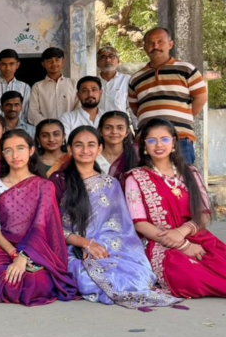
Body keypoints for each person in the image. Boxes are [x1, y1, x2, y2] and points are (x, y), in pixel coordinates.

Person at [50, 126, 181, 309]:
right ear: (70, 149)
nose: (85, 150)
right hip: (70, 245)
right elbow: (52, 224)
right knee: (86, 275)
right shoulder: (58, 180)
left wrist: (101, 244)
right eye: (79, 145)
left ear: (99, 149)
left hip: (109, 244)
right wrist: (84, 243)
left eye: (91, 145)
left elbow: (121, 227)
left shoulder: (111, 183)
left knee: (134, 273)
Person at [125, 119, 226, 298]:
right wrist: (183, 245)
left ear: (173, 143)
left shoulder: (191, 172)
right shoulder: (135, 177)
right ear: (144, 146)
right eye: (152, 140)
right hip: (159, 243)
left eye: (164, 139)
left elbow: (203, 213)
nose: (158, 145)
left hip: (196, 235)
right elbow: (139, 223)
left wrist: (182, 232)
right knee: (187, 275)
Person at [0, 130, 77, 306]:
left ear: (31, 151)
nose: (15, 155)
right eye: (8, 150)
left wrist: (24, 257)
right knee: (3, 281)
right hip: (4, 246)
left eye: (20, 148)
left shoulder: (44, 186)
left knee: (35, 282)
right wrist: (14, 254)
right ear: (3, 154)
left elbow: (40, 227)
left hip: (37, 246)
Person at [129, 27, 207, 165]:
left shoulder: (186, 69)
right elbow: (136, 109)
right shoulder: (136, 78)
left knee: (182, 178)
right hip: (148, 142)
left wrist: (182, 118)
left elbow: (200, 98)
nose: (155, 46)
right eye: (150, 43)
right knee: (148, 178)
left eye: (160, 42)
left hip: (179, 139)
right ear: (144, 47)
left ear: (170, 44)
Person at [28, 47, 78, 125]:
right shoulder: (37, 87)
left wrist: (68, 124)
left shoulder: (74, 84)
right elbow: (33, 112)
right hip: (46, 129)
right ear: (43, 64)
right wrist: (49, 126)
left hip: (71, 128)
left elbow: (79, 107)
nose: (54, 63)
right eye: (49, 61)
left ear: (63, 62)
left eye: (57, 60)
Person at [0, 49, 31, 118]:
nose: (8, 68)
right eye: (4, 64)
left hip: (19, 125)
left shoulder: (25, 88)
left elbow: (27, 113)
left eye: (11, 64)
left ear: (17, 65)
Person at [97, 111, 139, 180]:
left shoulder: (137, 154)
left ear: (127, 132)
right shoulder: (93, 156)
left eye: (120, 128)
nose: (114, 132)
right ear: (100, 131)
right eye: (108, 128)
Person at [97, 46, 133, 116]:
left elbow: (132, 108)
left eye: (112, 56)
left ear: (118, 61)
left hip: (120, 122)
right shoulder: (92, 82)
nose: (108, 60)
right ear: (97, 63)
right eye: (103, 57)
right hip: (98, 122)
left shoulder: (127, 80)